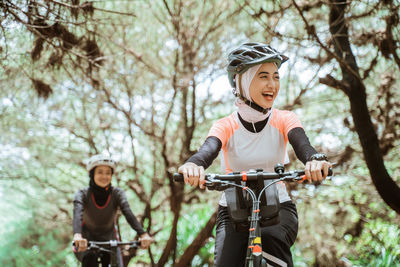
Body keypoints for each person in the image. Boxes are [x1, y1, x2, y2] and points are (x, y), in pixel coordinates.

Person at [178, 42, 332, 267]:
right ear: (242, 81)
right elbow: (206, 151)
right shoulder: (225, 125)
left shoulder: (284, 119)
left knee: (271, 240)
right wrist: (193, 165)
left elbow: (304, 147)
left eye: (276, 76)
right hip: (233, 213)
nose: (272, 84)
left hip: (278, 208)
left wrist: (314, 160)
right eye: (263, 76)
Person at [73, 154, 152, 266]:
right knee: (90, 259)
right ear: (92, 174)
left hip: (110, 239)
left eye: (108, 173)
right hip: (86, 240)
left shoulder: (117, 194)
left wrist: (143, 234)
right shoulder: (82, 194)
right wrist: (77, 235)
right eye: (100, 172)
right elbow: (77, 214)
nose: (104, 176)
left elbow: (128, 213)